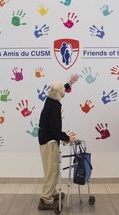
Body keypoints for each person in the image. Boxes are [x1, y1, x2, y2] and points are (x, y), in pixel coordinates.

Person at [37, 74, 79, 210]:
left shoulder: (49, 99)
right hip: (50, 141)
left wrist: (69, 83)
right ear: (59, 93)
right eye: (63, 91)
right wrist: (68, 138)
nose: (64, 93)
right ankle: (45, 199)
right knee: (53, 170)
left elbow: (57, 90)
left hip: (44, 138)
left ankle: (52, 192)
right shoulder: (55, 106)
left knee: (49, 168)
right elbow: (55, 131)